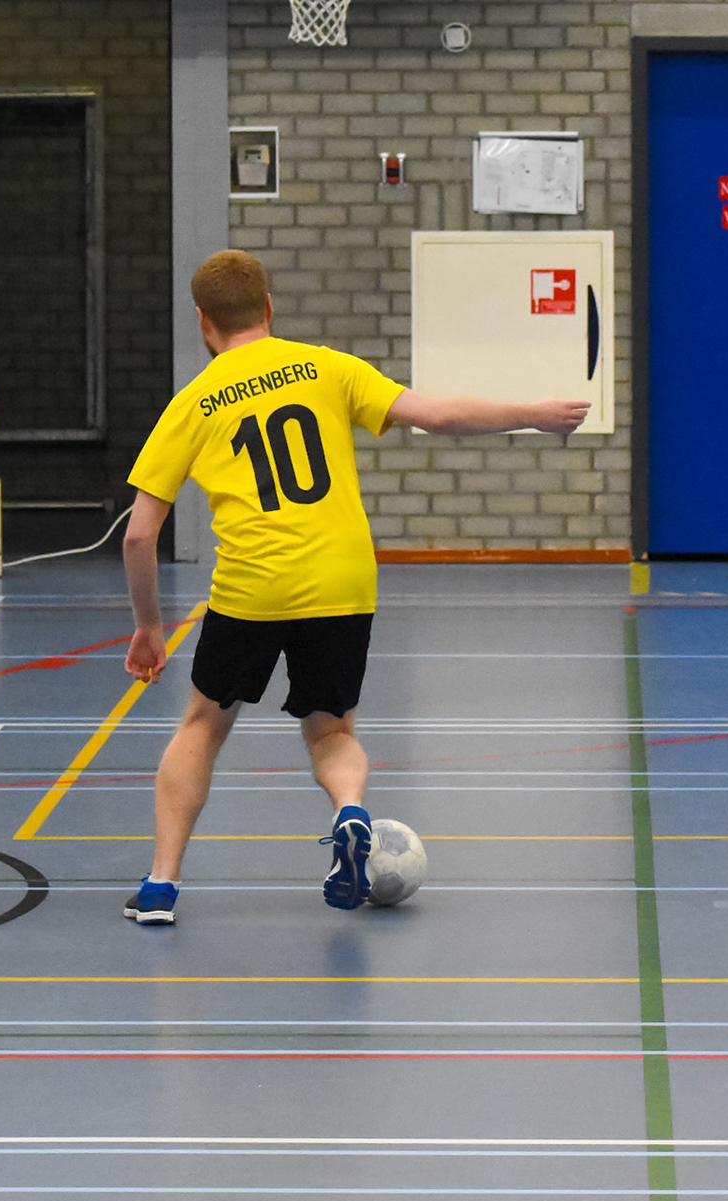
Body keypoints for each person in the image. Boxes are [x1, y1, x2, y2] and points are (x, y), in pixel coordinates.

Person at [118, 250, 590, 925]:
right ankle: (349, 812)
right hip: (342, 579)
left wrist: (148, 627)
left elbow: (139, 536)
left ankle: (161, 886)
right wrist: (534, 412)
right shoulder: (327, 368)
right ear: (269, 307)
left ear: (203, 323)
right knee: (331, 730)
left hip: (252, 586)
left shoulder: (192, 402)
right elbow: (438, 415)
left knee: (202, 726)